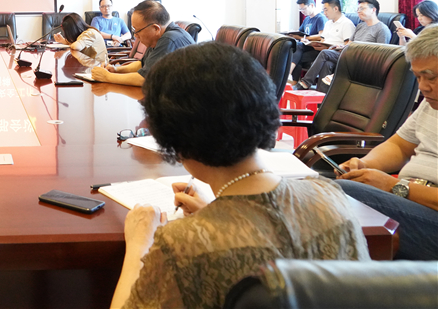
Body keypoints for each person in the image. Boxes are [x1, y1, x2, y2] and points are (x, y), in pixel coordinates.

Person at [110, 43, 369, 309]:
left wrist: (139, 244)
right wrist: (215, 213)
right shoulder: (331, 196)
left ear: (171, 136)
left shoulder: (181, 243)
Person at [335, 24, 438, 260]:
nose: (423, 87)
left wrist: (395, 187)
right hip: (410, 199)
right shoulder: (431, 103)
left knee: (340, 193)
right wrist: (365, 164)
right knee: (324, 192)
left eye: (431, 77)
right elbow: (399, 146)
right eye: (418, 77)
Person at [90, 0, 193, 87]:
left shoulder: (169, 39)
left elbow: (145, 79)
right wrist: (116, 70)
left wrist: (107, 76)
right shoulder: (158, 37)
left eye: (137, 30)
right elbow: (142, 64)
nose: (135, 35)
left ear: (155, 28)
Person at [296, 0, 390, 90]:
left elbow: (381, 55)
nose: (358, 11)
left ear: (373, 10)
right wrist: (340, 46)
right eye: (358, 9)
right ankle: (321, 96)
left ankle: (305, 82)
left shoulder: (382, 29)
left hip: (361, 60)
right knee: (327, 64)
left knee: (325, 53)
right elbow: (350, 44)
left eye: (362, 8)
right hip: (348, 55)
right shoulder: (360, 26)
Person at [287, 0, 328, 79]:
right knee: (293, 50)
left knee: (298, 49)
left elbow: (321, 36)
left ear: (311, 5)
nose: (302, 11)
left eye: (304, 9)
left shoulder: (320, 18)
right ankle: (292, 81)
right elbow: (300, 33)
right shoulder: (307, 19)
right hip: (305, 47)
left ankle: (288, 74)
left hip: (314, 48)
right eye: (300, 9)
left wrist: (304, 38)